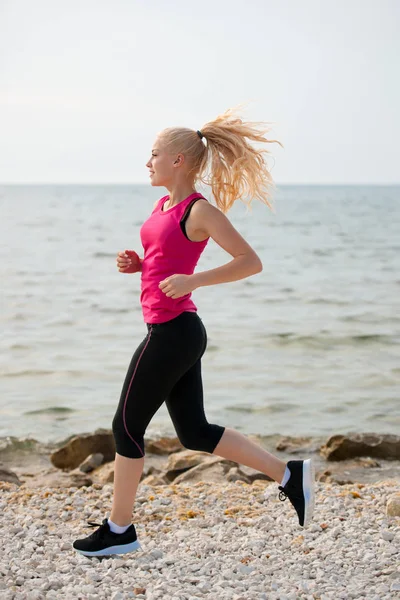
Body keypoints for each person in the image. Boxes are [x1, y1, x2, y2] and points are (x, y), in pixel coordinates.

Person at [73, 106, 315, 557]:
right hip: (174, 329)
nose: (148, 162)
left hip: (173, 332)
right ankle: (289, 474)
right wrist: (140, 265)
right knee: (195, 432)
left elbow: (250, 261)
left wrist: (195, 281)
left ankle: (119, 530)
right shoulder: (161, 205)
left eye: (154, 154)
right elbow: (168, 259)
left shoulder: (199, 210)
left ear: (178, 161)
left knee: (125, 426)